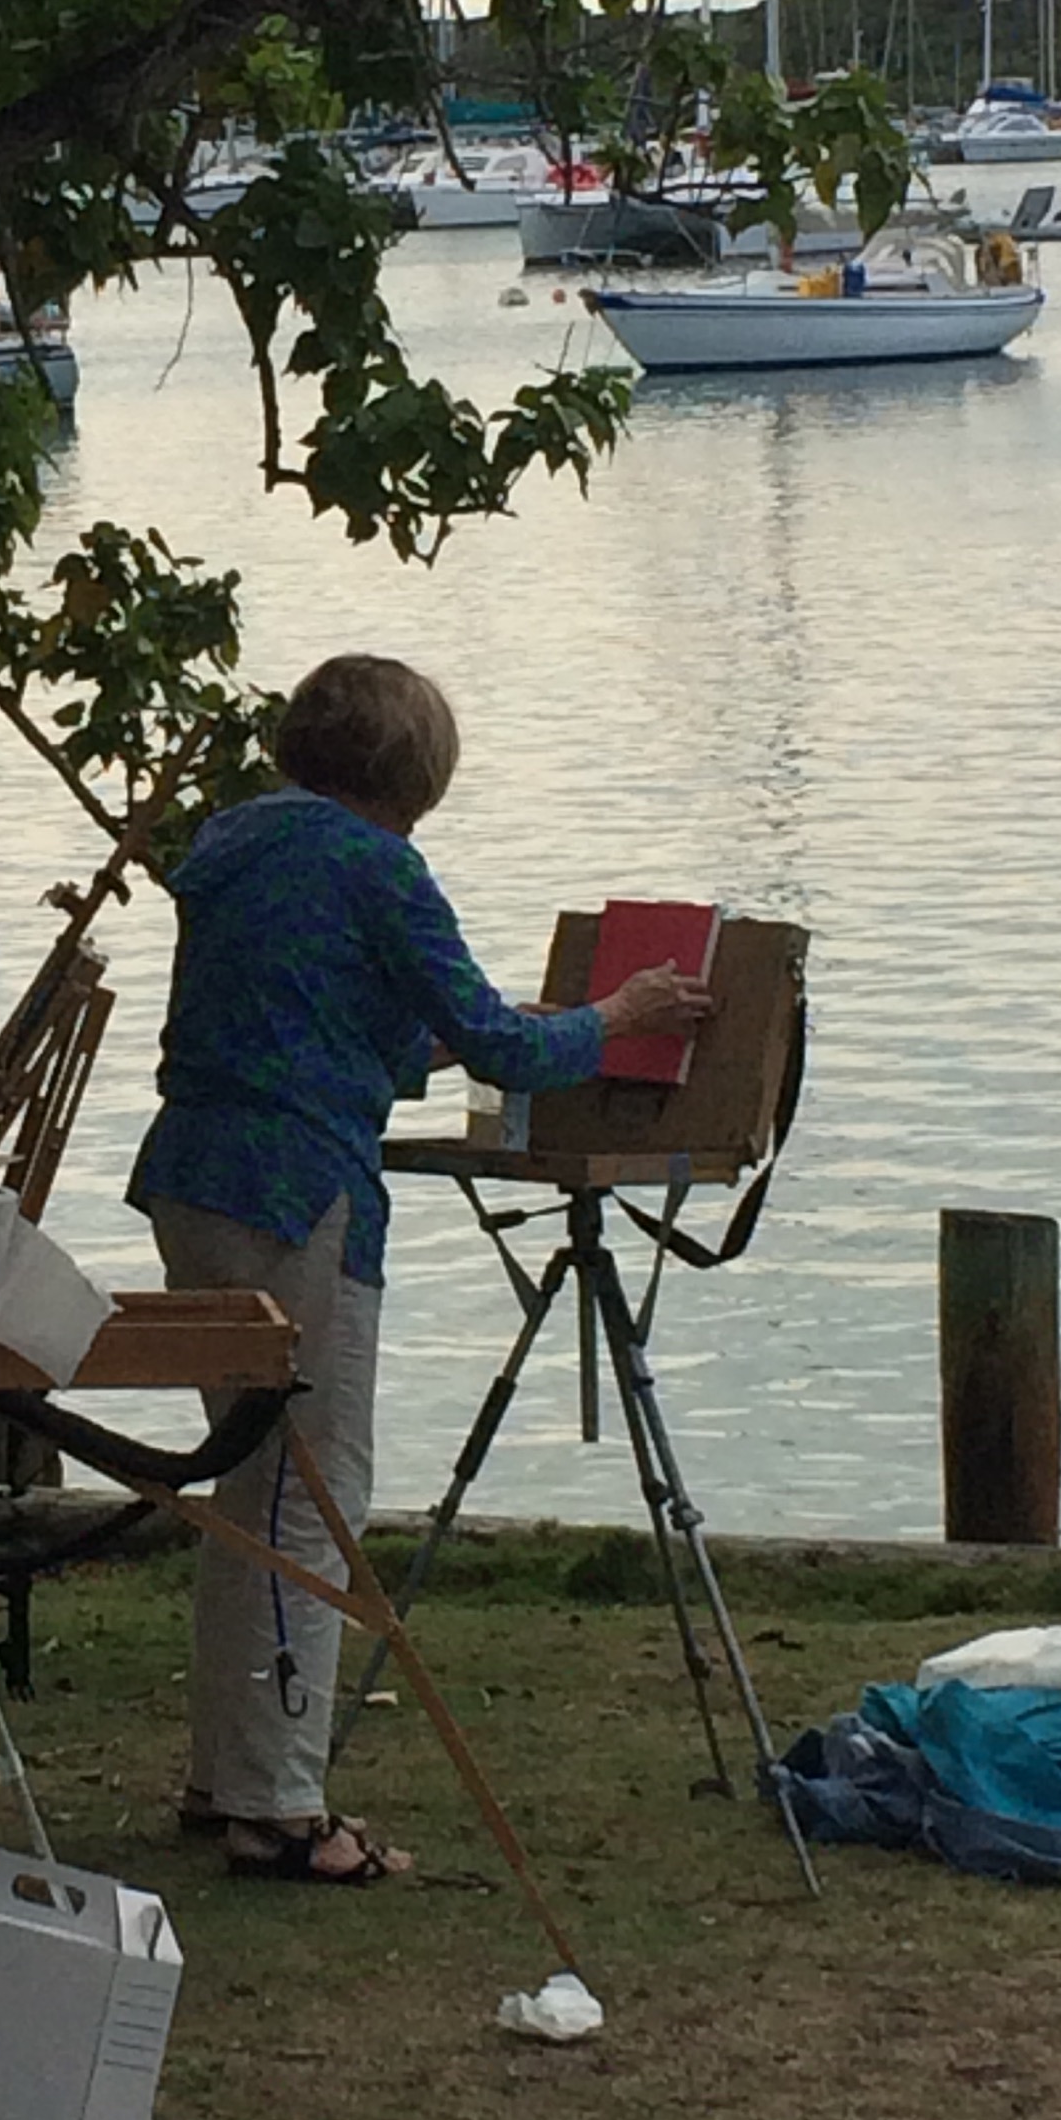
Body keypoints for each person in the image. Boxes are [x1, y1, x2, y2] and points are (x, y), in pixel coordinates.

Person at [128, 653, 711, 1886]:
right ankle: (281, 1810)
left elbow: (357, 1036)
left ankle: (227, 1774)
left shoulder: (231, 843)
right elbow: (503, 1050)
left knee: (252, 1482)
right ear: (416, 772)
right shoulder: (378, 864)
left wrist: (457, 1037)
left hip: (192, 1173)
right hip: (298, 1193)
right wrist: (619, 1014)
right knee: (313, 1489)